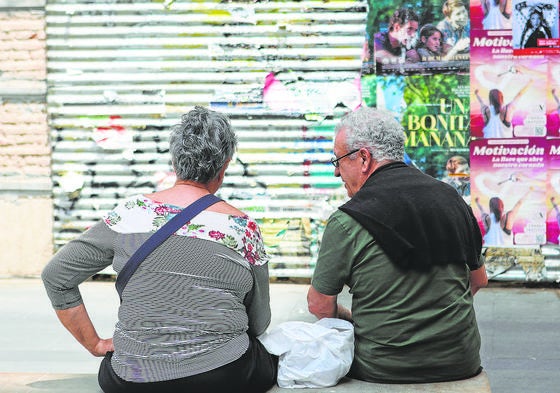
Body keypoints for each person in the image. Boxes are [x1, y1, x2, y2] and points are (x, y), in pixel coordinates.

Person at [42, 106, 278, 393]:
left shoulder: (129, 214)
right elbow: (259, 321)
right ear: (224, 165)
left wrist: (95, 344)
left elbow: (56, 275)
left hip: (130, 380)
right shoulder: (242, 228)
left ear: (175, 161)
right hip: (222, 377)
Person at [307, 107, 488, 384]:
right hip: (460, 361)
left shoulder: (346, 220)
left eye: (338, 160)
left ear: (364, 158)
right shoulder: (452, 200)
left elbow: (320, 305)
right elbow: (479, 280)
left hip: (383, 368)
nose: (336, 172)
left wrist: (359, 319)